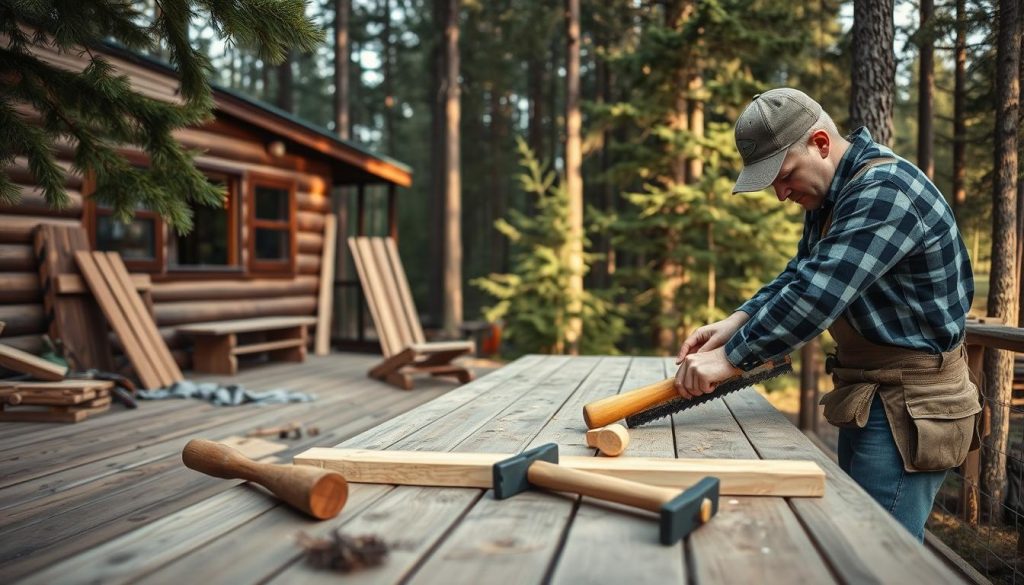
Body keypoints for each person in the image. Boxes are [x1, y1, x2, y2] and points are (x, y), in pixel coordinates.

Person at [673, 87, 980, 541]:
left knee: (876, 554)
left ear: (819, 143)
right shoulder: (836, 197)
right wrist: (737, 319)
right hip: (869, 395)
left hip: (911, 404)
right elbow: (803, 273)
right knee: (852, 540)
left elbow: (818, 296)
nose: (780, 195)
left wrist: (731, 358)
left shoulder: (885, 193)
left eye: (784, 175)